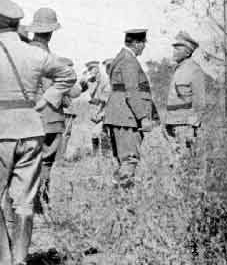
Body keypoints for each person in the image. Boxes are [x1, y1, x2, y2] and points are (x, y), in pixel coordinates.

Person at [0, 0, 76, 265]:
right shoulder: (35, 54)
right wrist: (47, 101)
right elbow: (68, 74)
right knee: (25, 201)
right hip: (31, 130)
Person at [26, 7, 67, 217]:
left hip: (28, 118)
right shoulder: (47, 56)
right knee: (46, 162)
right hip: (49, 117)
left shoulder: (24, 52)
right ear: (51, 32)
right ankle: (40, 203)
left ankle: (31, 202)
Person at [104, 29, 154, 187]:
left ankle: (118, 195)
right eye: (143, 44)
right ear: (137, 44)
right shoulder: (129, 61)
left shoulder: (120, 58)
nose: (144, 47)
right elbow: (132, 91)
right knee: (129, 159)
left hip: (118, 116)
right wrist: (143, 117)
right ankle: (122, 199)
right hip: (127, 118)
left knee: (122, 159)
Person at [165, 31, 205, 150]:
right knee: (174, 163)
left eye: (178, 49)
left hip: (185, 125)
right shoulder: (178, 70)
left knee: (184, 162)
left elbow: (199, 102)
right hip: (172, 123)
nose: (174, 52)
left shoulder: (194, 70)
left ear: (187, 51)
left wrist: (192, 127)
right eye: (174, 48)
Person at [80, 60, 111, 155]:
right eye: (89, 70)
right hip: (94, 111)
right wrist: (83, 78)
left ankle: (106, 155)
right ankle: (96, 155)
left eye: (92, 69)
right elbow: (81, 88)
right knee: (94, 134)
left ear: (97, 69)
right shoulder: (90, 81)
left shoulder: (105, 80)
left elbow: (106, 97)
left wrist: (94, 99)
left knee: (103, 132)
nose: (90, 71)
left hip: (103, 109)